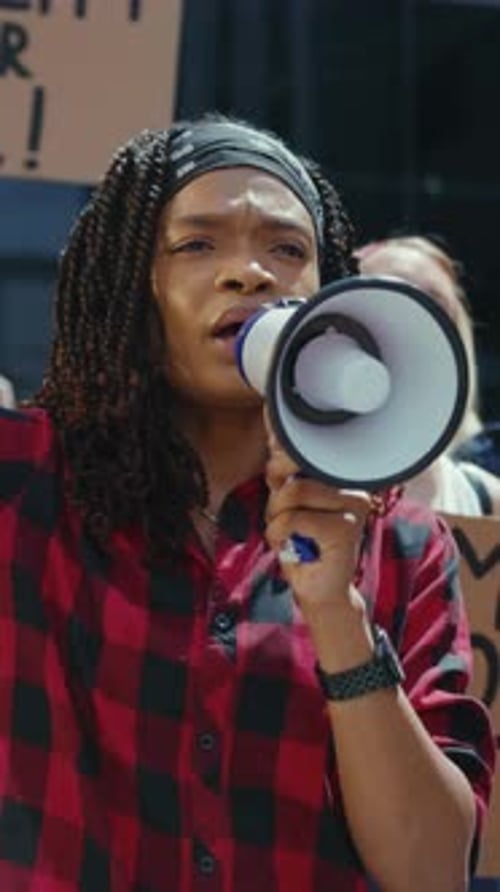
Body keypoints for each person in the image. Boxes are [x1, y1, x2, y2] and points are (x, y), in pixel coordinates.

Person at [0, 115, 494, 892]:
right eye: (198, 245)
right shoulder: (24, 480)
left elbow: (431, 872)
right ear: (134, 284)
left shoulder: (397, 540)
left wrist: (339, 617)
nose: (251, 274)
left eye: (287, 249)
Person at [356, 234, 500, 516]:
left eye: (434, 306)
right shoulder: (267, 481)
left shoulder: (488, 502)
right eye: (387, 298)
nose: (414, 317)